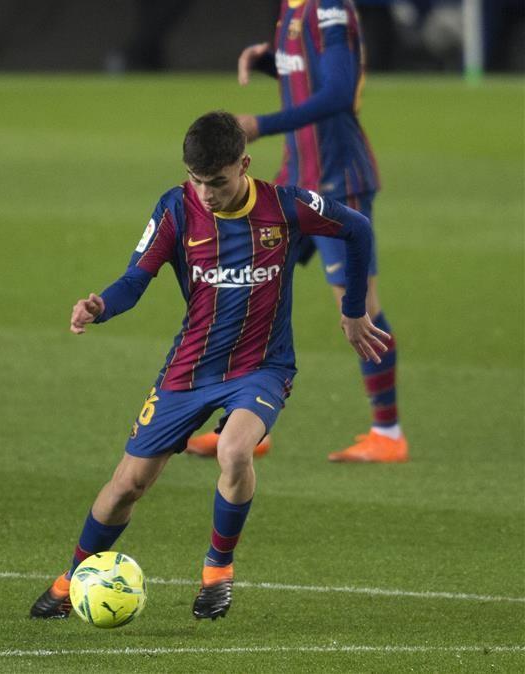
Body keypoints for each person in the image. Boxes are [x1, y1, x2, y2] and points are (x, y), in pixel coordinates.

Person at [29, 111, 388, 621]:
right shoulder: (175, 209)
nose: (206, 193)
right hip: (190, 370)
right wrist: (101, 306)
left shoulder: (284, 205)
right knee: (128, 484)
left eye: (216, 182)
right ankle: (71, 579)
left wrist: (353, 312)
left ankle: (217, 571)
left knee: (235, 450)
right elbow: (136, 279)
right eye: (197, 181)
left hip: (262, 366)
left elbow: (357, 229)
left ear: (243, 164)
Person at [188, 0, 407, 463]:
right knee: (248, 292)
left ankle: (387, 432)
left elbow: (339, 92)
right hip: (297, 177)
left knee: (360, 309)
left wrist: (259, 125)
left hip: (337, 182)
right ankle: (247, 427)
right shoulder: (293, 6)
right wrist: (271, 62)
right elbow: (309, 72)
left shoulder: (329, 7)